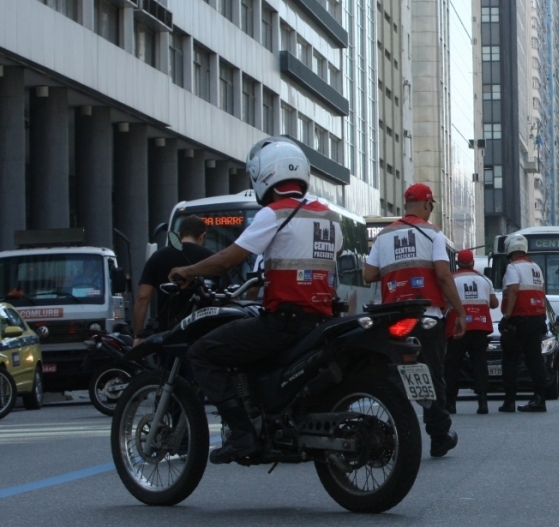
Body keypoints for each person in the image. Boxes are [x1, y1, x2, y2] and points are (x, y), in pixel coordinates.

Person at [171, 137, 343, 465]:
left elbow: (226, 260)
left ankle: (241, 433)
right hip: (321, 322)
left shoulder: (273, 214)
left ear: (262, 175)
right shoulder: (329, 217)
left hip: (283, 324)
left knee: (202, 353)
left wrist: (188, 270)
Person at [363, 183, 468, 458]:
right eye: (430, 207)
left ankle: (391, 433)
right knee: (433, 377)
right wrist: (460, 312)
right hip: (427, 318)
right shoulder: (433, 233)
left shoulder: (385, 235)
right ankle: (439, 436)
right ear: (426, 205)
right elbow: (444, 277)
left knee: (393, 378)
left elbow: (368, 274)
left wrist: (395, 272)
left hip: (393, 319)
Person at [133, 215, 215, 341]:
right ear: (202, 236)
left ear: (179, 235)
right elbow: (231, 296)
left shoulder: (157, 257)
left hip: (167, 332)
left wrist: (138, 335)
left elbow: (142, 297)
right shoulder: (212, 259)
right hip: (204, 332)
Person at [498, 234, 549, 413]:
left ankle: (509, 401)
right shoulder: (536, 267)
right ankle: (539, 399)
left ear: (509, 249)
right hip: (536, 318)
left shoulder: (513, 267)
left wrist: (506, 317)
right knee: (535, 360)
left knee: (510, 359)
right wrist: (543, 317)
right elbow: (542, 293)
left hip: (518, 319)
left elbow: (512, 291)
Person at [444, 249, 499, 415]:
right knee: (480, 364)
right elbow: (494, 303)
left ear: (458, 263)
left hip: (457, 327)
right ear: (473, 263)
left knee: (453, 365)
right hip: (480, 328)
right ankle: (483, 402)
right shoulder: (484, 280)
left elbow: (445, 303)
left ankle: (451, 403)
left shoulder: (452, 279)